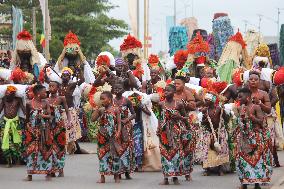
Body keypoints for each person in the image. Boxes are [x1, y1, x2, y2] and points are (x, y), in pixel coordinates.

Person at [235, 88, 273, 189]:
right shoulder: (240, 108)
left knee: (257, 161)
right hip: (244, 139)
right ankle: (244, 184)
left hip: (256, 138)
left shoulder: (256, 107)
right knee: (242, 161)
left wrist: (252, 118)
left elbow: (262, 122)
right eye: (238, 96)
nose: (238, 99)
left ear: (247, 97)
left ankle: (257, 184)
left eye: (240, 96)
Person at [157, 84, 187, 185]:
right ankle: (166, 177)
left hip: (175, 131)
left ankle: (175, 177)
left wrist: (179, 117)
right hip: (164, 132)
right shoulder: (161, 104)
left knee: (176, 154)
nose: (166, 92)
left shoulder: (179, 104)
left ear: (174, 92)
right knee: (164, 153)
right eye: (165, 91)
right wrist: (158, 128)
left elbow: (185, 118)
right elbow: (159, 117)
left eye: (168, 91)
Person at [92, 91, 121, 183]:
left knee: (115, 155)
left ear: (110, 99)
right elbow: (93, 119)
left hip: (113, 136)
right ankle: (102, 177)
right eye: (100, 99)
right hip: (102, 136)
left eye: (103, 99)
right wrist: (96, 109)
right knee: (102, 155)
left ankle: (116, 176)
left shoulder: (116, 109)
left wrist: (118, 132)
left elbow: (119, 123)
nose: (102, 101)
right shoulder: (101, 110)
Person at [24, 85, 52, 181]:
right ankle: (30, 174)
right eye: (44, 92)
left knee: (46, 150)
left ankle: (48, 173)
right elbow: (27, 118)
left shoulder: (46, 103)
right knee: (31, 151)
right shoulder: (29, 104)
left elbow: (49, 116)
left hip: (44, 131)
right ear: (38, 94)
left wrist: (42, 115)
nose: (46, 93)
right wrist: (26, 130)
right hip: (32, 132)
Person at [200, 93, 230, 176]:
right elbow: (203, 122)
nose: (204, 102)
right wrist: (205, 120)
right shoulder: (205, 110)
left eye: (206, 100)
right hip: (208, 132)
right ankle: (207, 169)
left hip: (219, 131)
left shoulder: (219, 109)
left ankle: (221, 169)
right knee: (207, 150)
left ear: (212, 101)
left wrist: (224, 112)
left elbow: (226, 119)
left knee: (220, 149)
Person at [174, 75, 196, 181]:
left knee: (188, 149)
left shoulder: (187, 93)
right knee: (176, 149)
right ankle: (175, 172)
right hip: (173, 124)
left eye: (178, 84)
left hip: (186, 123)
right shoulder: (171, 93)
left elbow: (193, 106)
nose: (176, 85)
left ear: (183, 85)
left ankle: (187, 173)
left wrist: (184, 104)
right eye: (175, 83)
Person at [113, 80, 136, 179]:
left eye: (119, 88)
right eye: (115, 88)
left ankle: (127, 171)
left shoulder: (127, 100)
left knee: (127, 147)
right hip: (114, 127)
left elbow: (134, 114)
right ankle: (117, 171)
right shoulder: (111, 100)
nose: (117, 90)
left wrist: (127, 119)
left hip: (126, 127)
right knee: (116, 148)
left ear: (123, 90)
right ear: (113, 90)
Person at [59, 67, 84, 154]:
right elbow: (46, 80)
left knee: (72, 131)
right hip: (61, 111)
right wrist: (45, 70)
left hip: (70, 111)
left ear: (70, 77)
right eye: (63, 75)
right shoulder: (58, 86)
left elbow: (82, 80)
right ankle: (65, 148)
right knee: (63, 131)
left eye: (67, 75)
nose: (65, 77)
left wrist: (80, 70)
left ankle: (74, 148)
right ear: (61, 76)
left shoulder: (71, 85)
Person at [48, 81, 70, 177]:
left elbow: (67, 111)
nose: (51, 87)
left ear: (58, 88)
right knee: (50, 147)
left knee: (60, 147)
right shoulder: (46, 100)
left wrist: (69, 121)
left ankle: (60, 169)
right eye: (50, 86)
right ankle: (52, 169)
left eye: (53, 86)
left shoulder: (61, 98)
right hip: (48, 126)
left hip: (59, 126)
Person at [0, 86, 25, 167]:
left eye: (8, 94)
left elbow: (24, 110)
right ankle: (8, 161)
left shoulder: (18, 100)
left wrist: (29, 117)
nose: (7, 96)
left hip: (16, 122)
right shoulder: (4, 99)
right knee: (5, 142)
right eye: (6, 94)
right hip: (5, 122)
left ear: (13, 95)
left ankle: (17, 160)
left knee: (17, 142)